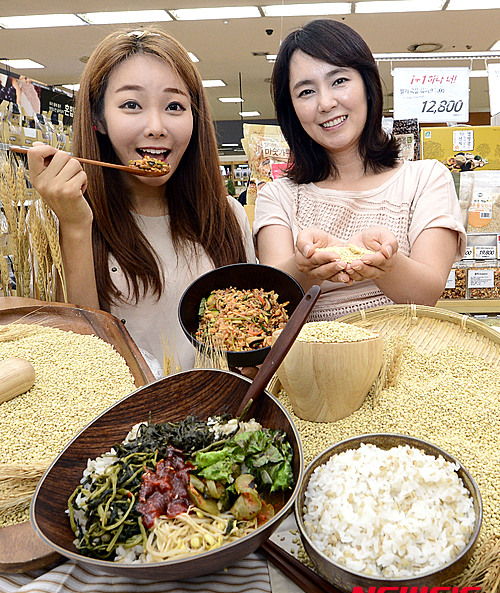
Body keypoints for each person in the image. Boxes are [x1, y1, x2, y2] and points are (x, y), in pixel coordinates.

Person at [27, 29, 255, 374]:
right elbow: (83, 363)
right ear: (98, 119)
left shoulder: (228, 216)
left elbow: (253, 339)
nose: (156, 126)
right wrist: (75, 226)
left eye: (175, 106)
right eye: (131, 105)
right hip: (126, 421)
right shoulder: (64, 220)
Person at [253, 19, 466, 321]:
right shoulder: (278, 195)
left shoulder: (426, 180)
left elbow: (426, 294)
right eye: (305, 92)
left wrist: (386, 265)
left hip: (403, 360)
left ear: (367, 84)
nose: (326, 103)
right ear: (292, 110)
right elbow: (272, 299)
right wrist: (305, 267)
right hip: (311, 364)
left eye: (339, 81)